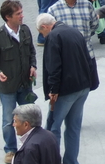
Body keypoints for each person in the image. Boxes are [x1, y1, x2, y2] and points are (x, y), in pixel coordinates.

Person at [0, 0, 37, 163]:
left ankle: (31, 144)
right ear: (8, 17)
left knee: (30, 115)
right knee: (8, 120)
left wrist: (33, 65)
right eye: (18, 13)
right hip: (7, 88)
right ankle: (11, 149)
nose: (22, 16)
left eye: (22, 12)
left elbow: (32, 51)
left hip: (25, 84)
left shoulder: (25, 30)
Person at [35, 13, 91, 161]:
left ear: (45, 27)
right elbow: (88, 57)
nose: (43, 36)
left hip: (65, 91)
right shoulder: (74, 31)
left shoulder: (53, 37)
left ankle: (51, 160)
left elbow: (53, 67)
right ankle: (71, 161)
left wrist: (53, 90)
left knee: (53, 127)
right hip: (83, 87)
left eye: (42, 33)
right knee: (73, 127)